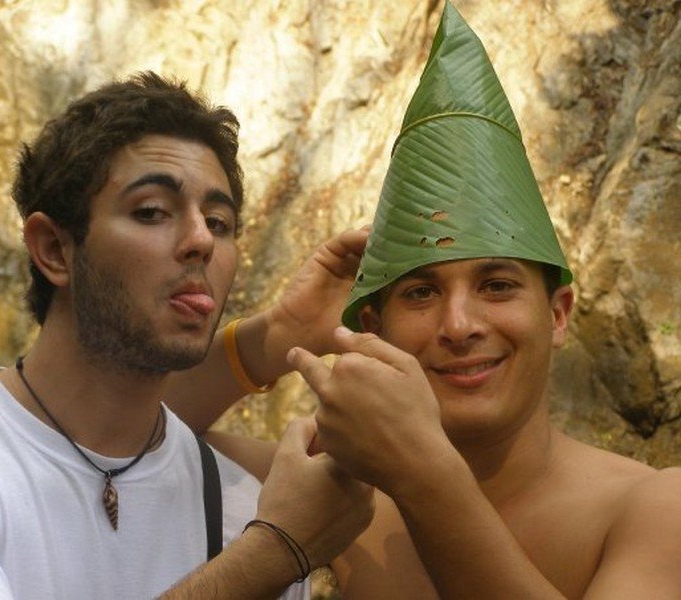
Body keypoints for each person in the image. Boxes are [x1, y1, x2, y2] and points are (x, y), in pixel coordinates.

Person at [171, 3, 681, 598]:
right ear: (373, 329)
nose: (459, 325)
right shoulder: (333, 499)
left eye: (497, 285)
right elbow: (121, 431)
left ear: (558, 313)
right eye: (420, 292)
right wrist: (277, 335)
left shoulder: (652, 508)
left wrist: (422, 473)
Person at [0, 71, 375, 598]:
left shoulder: (245, 506)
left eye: (219, 222)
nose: (201, 241)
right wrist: (271, 554)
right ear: (53, 249)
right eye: (152, 212)